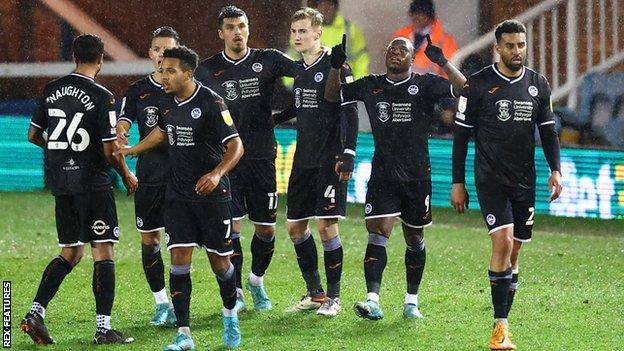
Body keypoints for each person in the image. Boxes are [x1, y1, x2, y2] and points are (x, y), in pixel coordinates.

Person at [325, 34, 466, 320]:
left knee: (414, 237)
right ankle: (372, 300)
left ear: (413, 59)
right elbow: (332, 97)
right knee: (378, 233)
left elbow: (466, 90)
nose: (395, 53)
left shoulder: (426, 84)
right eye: (391, 49)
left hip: (417, 176)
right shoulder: (371, 85)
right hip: (383, 175)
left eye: (403, 50)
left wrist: (443, 63)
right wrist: (335, 67)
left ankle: (411, 301)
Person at [117, 46, 244, 350]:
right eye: (162, 70)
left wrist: (216, 174)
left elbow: (236, 146)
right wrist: (133, 149)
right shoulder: (167, 104)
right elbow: (162, 132)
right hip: (178, 196)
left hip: (213, 198)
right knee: (179, 261)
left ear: (188, 72)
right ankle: (184, 334)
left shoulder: (212, 102)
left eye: (171, 71)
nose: (164, 76)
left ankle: (230, 318)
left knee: (220, 265)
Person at [450, 20, 563, 350]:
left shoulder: (538, 84)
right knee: (502, 242)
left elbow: (548, 131)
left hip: (524, 181)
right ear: (497, 48)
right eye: (510, 45)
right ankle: (500, 329)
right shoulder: (478, 85)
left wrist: (555, 170)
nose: (517, 51)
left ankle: (503, 324)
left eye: (521, 45)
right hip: (490, 179)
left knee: (514, 252)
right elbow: (460, 139)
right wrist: (458, 182)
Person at [21, 34, 137, 345]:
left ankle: (35, 312)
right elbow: (111, 151)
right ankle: (103, 328)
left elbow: (33, 134)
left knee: (70, 252)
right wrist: (126, 174)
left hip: (62, 184)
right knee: (104, 250)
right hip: (92, 184)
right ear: (101, 59)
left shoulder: (51, 89)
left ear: (74, 56)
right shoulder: (103, 96)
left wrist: (61, 152)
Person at [195, 5, 297, 312]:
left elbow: (307, 76)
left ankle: (256, 280)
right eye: (230, 27)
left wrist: (282, 117)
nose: (237, 32)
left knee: (266, 230)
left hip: (263, 157)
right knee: (234, 228)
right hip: (227, 162)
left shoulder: (269, 59)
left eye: (241, 26)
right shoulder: (207, 70)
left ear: (248, 29)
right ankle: (237, 292)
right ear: (221, 33)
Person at [276, 7, 358, 317]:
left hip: (329, 159)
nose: (297, 36)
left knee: (326, 227)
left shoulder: (337, 66)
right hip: (303, 159)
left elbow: (348, 110)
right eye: (294, 31)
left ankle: (334, 298)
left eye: (303, 31)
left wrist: (348, 152)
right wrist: (272, 119)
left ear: (317, 33)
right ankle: (316, 293)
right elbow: (301, 107)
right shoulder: (298, 70)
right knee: (295, 227)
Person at [116, 26, 179, 327]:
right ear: (151, 53)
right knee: (150, 240)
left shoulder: (186, 88)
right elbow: (122, 125)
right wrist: (121, 134)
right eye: (158, 49)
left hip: (182, 177)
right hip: (150, 178)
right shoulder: (137, 90)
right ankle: (161, 302)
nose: (162, 55)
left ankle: (182, 303)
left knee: (180, 243)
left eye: (168, 50)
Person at [392, 0, 458, 78]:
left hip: (432, 87)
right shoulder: (400, 36)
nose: (417, 17)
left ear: (430, 17)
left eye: (421, 14)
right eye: (414, 13)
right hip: (403, 86)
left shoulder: (445, 41)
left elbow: (450, 71)